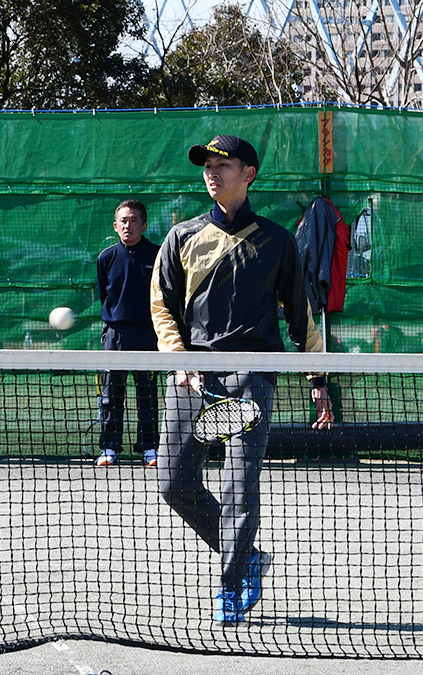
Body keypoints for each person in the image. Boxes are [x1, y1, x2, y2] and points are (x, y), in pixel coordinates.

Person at [151, 135, 334, 624]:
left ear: (248, 173)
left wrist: (319, 378)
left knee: (238, 485)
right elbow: (162, 307)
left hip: (253, 373)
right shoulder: (181, 237)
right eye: (208, 165)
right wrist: (179, 360)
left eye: (223, 164)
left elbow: (302, 314)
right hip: (191, 374)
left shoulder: (276, 241)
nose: (212, 171)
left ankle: (231, 584)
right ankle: (248, 556)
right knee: (172, 483)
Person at [94, 199, 160, 468]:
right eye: (123, 221)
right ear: (115, 225)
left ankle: (149, 448)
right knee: (111, 394)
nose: (128, 226)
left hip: (148, 335)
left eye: (134, 220)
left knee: (148, 393)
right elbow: (104, 295)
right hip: (115, 335)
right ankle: (110, 448)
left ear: (143, 225)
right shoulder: (106, 257)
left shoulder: (157, 255)